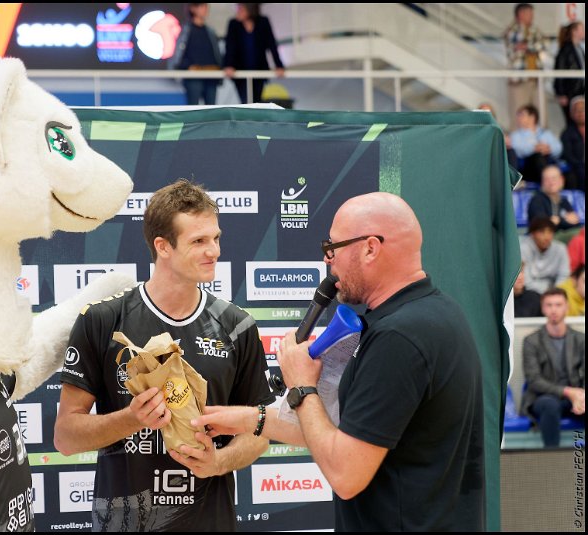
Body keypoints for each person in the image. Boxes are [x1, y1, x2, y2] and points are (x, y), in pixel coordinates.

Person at [194, 192, 485, 531]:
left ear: (370, 248)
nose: (327, 259)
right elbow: (346, 434)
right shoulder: (436, 312)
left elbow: (346, 474)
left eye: (333, 247)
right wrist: (249, 419)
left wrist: (302, 386)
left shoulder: (399, 337)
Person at [54, 179, 273, 531]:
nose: (214, 251)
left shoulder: (237, 326)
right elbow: (65, 437)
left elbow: (259, 432)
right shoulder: (103, 320)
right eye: (198, 241)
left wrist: (218, 462)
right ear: (163, 246)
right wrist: (132, 418)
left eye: (216, 238)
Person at [521, 287, 585, 448]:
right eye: (549, 305)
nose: (554, 310)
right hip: (543, 397)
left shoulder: (580, 339)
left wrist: (581, 396)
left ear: (567, 307)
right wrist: (569, 392)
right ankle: (551, 457)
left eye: (558, 304)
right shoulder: (532, 341)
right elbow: (534, 380)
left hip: (576, 396)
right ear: (543, 308)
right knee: (550, 405)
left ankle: (578, 458)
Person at [223, 3, 285, 104]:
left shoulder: (263, 22)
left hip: (259, 72)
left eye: (241, 8)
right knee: (246, 101)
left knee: (257, 101)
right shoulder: (233, 24)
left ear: (250, 9)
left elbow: (272, 45)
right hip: (240, 73)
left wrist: (279, 65)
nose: (238, 11)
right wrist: (228, 65)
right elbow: (230, 47)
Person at [169, 3, 222, 105]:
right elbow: (178, 56)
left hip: (211, 76)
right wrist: (188, 66)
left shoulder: (210, 31)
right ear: (193, 9)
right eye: (202, 6)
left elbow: (216, 54)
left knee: (211, 110)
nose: (205, 9)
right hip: (193, 77)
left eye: (206, 6)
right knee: (193, 108)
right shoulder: (185, 31)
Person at [504, 4, 546, 124]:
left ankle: (539, 135)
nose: (532, 16)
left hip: (535, 78)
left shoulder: (534, 29)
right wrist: (530, 45)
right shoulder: (512, 30)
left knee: (539, 113)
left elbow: (541, 45)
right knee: (519, 111)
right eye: (529, 13)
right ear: (520, 14)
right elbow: (518, 41)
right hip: (519, 79)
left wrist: (526, 46)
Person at [509, 104, 563, 185]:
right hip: (527, 167)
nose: (518, 118)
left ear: (532, 117)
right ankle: (546, 183)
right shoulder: (515, 135)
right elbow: (516, 149)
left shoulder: (545, 133)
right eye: (518, 115)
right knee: (538, 157)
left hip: (547, 162)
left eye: (522, 115)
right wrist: (534, 148)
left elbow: (559, 147)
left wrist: (549, 149)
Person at [520, 217, 571, 294]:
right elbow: (526, 280)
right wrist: (548, 291)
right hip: (530, 292)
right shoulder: (523, 249)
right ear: (532, 234)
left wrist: (555, 292)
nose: (546, 237)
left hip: (556, 292)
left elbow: (564, 275)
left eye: (550, 232)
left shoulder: (560, 248)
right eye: (541, 232)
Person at [526, 164, 580, 233]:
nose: (551, 182)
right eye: (547, 179)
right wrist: (562, 220)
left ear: (562, 180)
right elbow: (543, 225)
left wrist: (558, 220)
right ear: (542, 182)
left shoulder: (563, 201)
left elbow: (574, 222)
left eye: (554, 178)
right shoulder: (537, 200)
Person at [554, 21, 585, 124]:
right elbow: (559, 71)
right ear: (574, 32)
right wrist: (561, 93)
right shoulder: (566, 50)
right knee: (572, 120)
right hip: (570, 92)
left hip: (579, 90)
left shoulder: (579, 49)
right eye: (582, 29)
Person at [561, 96, 585, 191]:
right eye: (577, 110)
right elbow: (568, 155)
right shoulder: (567, 133)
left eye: (583, 109)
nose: (580, 113)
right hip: (578, 167)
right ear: (571, 114)